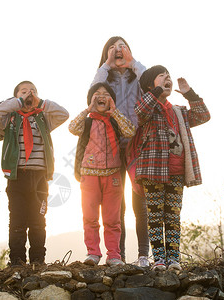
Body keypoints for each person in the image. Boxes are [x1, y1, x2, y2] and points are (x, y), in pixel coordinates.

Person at [135, 65, 210, 271]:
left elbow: (203, 115)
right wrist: (157, 90)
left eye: (168, 76)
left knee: (173, 216)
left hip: (177, 171)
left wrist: (189, 93)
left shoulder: (178, 111)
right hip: (153, 170)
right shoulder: (148, 108)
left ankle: (174, 259)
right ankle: (159, 259)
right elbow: (140, 111)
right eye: (162, 76)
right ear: (151, 84)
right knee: (155, 215)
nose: (167, 78)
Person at [0, 81, 69, 266]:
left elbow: (64, 114)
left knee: (38, 219)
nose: (29, 94)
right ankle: (17, 259)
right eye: (24, 91)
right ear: (16, 96)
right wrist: (18, 103)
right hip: (17, 176)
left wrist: (40, 103)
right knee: (16, 219)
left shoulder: (43, 118)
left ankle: (37, 259)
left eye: (32, 91)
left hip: (40, 176)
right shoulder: (9, 119)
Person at [91, 36, 149, 266]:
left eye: (122, 47)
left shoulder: (138, 77)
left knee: (140, 200)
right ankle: (119, 256)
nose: (118, 50)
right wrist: (106, 65)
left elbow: (151, 83)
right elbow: (93, 93)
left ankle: (144, 255)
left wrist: (132, 62)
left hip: (137, 142)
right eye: (113, 48)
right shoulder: (104, 78)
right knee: (115, 205)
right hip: (111, 144)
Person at [69, 82, 135, 267]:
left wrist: (114, 112)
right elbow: (72, 128)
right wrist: (87, 109)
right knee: (90, 217)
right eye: (97, 93)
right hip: (89, 175)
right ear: (91, 99)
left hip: (113, 175)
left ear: (111, 100)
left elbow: (130, 130)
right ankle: (93, 253)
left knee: (113, 218)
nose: (101, 96)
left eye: (106, 94)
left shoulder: (115, 120)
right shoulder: (87, 121)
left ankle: (114, 254)